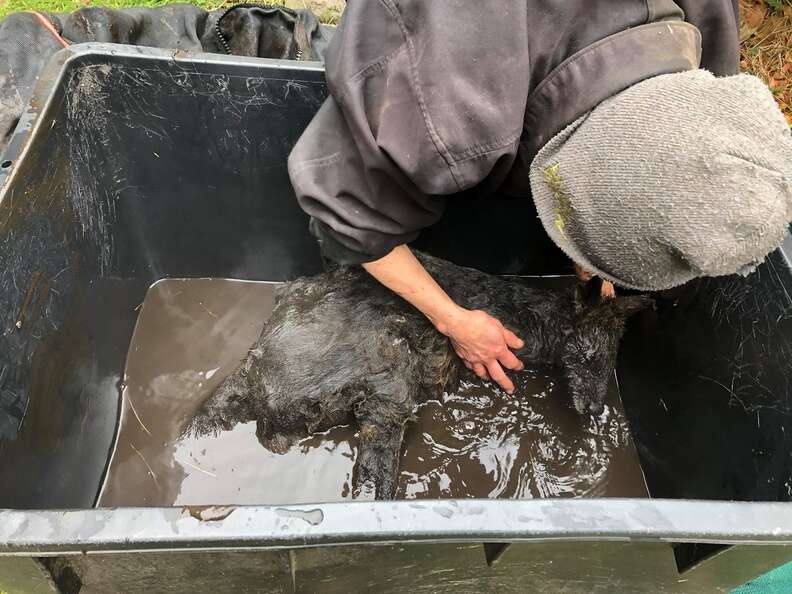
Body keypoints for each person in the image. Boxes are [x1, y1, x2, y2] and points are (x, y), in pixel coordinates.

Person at [288, 1, 792, 394]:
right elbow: (346, 223)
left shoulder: (709, 38)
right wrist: (455, 320)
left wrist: (602, 253)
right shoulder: (446, 117)